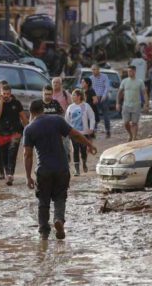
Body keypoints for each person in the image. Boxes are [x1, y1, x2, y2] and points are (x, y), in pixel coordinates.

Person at [23, 100, 97, 240]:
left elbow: (27, 155)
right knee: (60, 197)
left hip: (43, 169)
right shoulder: (57, 120)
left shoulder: (29, 129)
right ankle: (58, 220)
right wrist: (89, 145)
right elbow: (75, 134)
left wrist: (28, 177)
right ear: (43, 109)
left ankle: (44, 231)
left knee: (43, 200)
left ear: (31, 112)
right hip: (62, 168)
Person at [0, 84, 28, 186]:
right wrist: (1, 102)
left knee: (12, 154)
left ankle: (10, 175)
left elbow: (23, 118)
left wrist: (29, 129)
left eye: (8, 94)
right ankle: (8, 173)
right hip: (1, 134)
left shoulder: (16, 103)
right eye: (4, 94)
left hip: (15, 133)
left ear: (11, 93)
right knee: (4, 156)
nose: (6, 95)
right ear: (1, 93)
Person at [65, 89, 95, 176]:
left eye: (74, 95)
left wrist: (91, 128)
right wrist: (67, 131)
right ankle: (77, 169)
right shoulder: (70, 107)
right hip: (73, 133)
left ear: (79, 96)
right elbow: (67, 120)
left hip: (84, 133)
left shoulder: (85, 106)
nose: (72, 96)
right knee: (75, 150)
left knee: (83, 150)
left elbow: (92, 117)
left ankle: (84, 163)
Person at [117, 65, 148, 142]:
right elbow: (119, 93)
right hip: (126, 105)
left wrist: (146, 104)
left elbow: (144, 93)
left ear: (134, 71)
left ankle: (134, 137)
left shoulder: (140, 81)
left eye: (130, 71)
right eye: (128, 71)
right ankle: (130, 134)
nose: (129, 73)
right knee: (126, 122)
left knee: (134, 123)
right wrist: (117, 103)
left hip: (136, 105)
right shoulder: (124, 81)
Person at [89, 64, 111, 138]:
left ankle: (108, 131)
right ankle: (93, 131)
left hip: (103, 98)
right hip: (94, 98)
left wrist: (103, 96)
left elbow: (107, 87)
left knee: (105, 115)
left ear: (99, 69)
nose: (93, 71)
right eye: (92, 69)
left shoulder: (104, 76)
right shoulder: (90, 78)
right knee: (94, 115)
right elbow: (89, 89)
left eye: (95, 69)